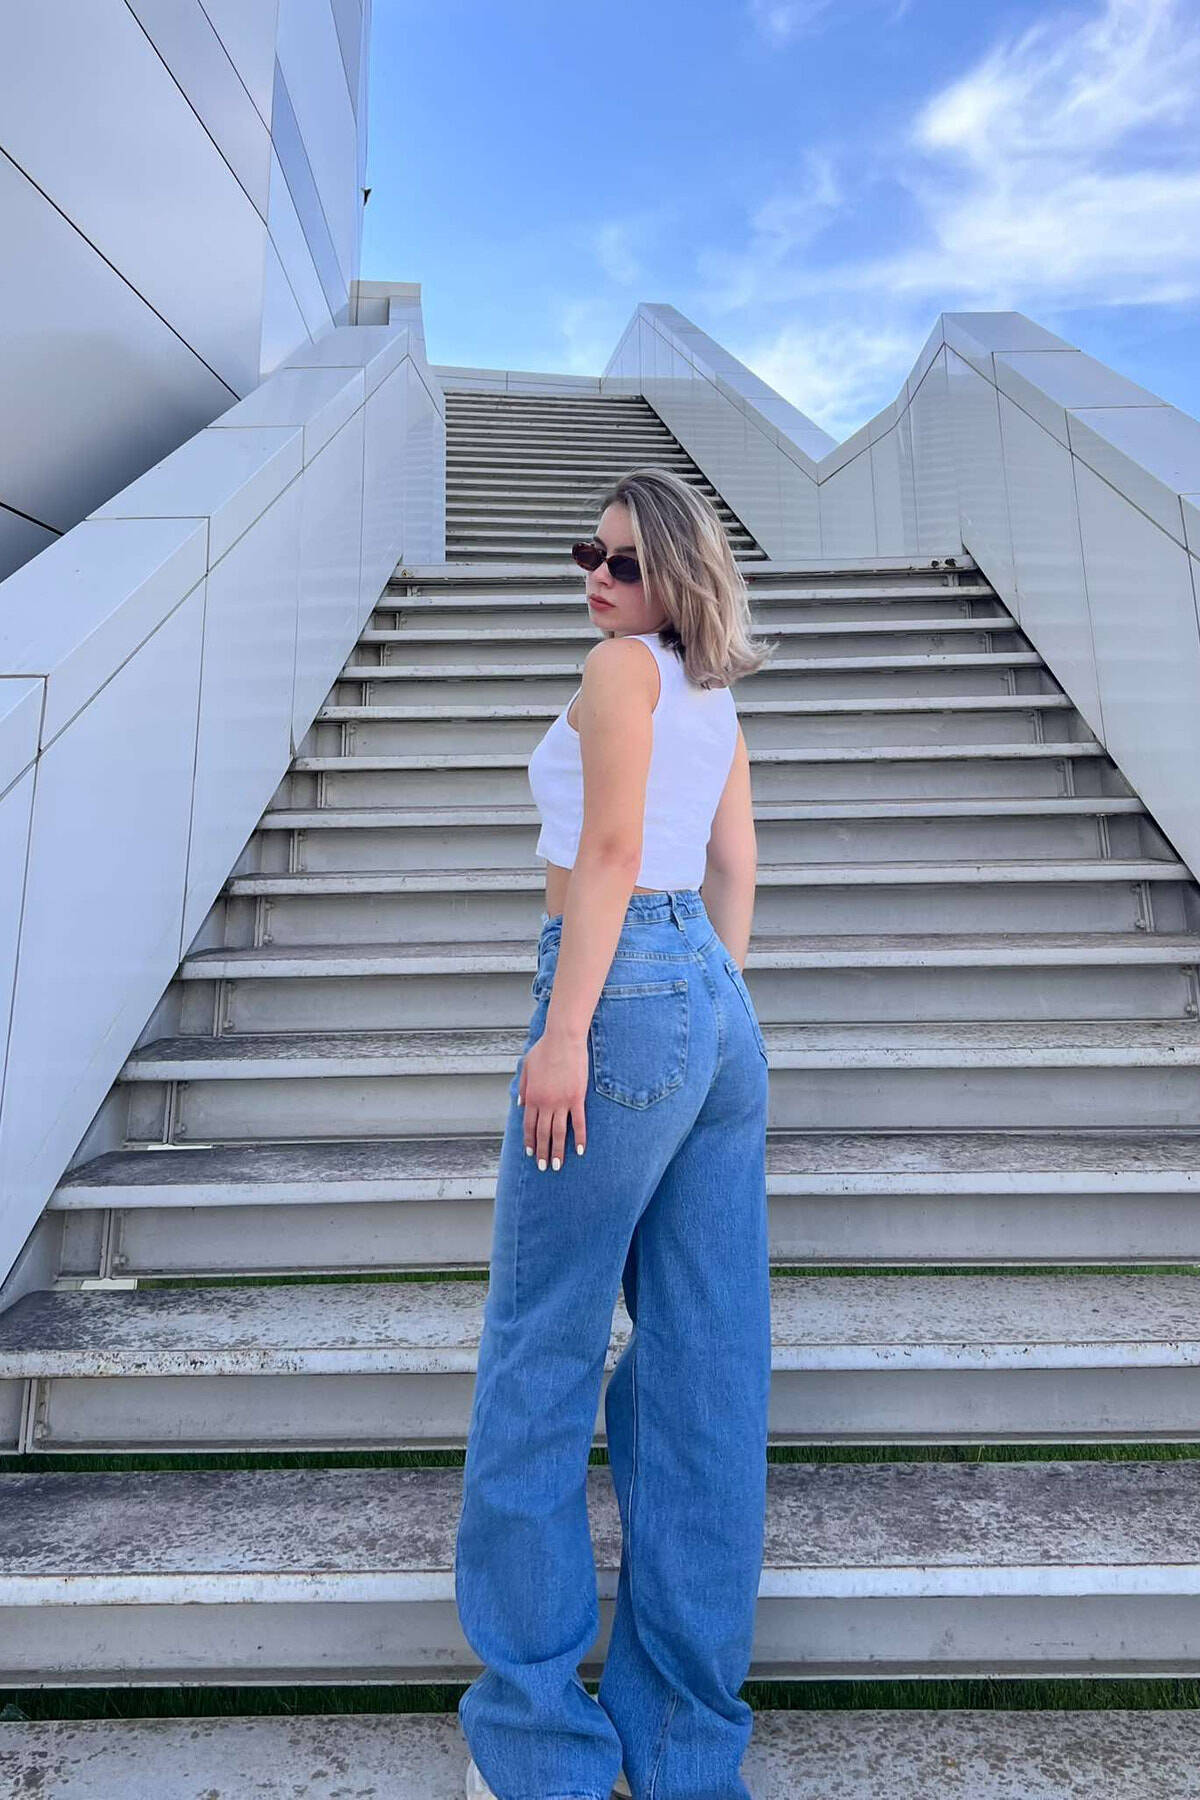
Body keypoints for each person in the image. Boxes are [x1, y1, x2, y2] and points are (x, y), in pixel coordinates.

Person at [455, 465, 775, 1800]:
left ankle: (540, 1750)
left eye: (626, 563)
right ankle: (684, 1749)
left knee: (540, 1352)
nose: (596, 577)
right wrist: (704, 1010)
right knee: (705, 1373)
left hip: (616, 994)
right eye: (585, 553)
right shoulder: (713, 695)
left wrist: (570, 1032)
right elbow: (734, 868)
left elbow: (610, 852)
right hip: (712, 1006)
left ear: (677, 575)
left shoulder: (619, 672)